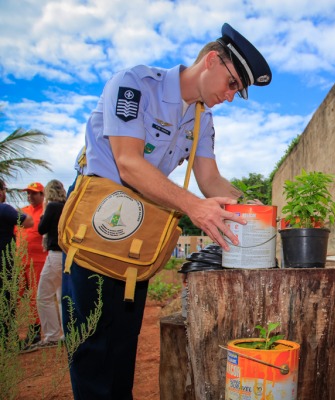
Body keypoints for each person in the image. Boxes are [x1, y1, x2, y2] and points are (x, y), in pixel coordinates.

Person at [62, 23, 272, 399]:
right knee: (91, 346)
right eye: (231, 83)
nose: (230, 94)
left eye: (237, 91)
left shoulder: (202, 121)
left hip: (140, 235)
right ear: (212, 60)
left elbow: (211, 181)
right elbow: (127, 162)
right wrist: (194, 208)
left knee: (124, 346)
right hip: (99, 225)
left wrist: (259, 208)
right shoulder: (135, 86)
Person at [32, 180, 67, 349]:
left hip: (54, 254)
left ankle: (52, 335)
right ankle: (67, 332)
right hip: (66, 255)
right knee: (62, 296)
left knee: (44, 296)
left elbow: (41, 229)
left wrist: (44, 212)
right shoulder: (66, 205)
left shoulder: (52, 207)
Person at [0, 179, 33, 346]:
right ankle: (9, 341)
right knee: (7, 300)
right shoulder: (4, 209)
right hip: (4, 262)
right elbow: (29, 222)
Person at [16, 181, 46, 343]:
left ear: (42, 195)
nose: (30, 196)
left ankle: (34, 332)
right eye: (28, 193)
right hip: (20, 261)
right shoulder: (22, 212)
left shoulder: (45, 211)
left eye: (34, 193)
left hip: (39, 261)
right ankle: (10, 332)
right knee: (15, 295)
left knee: (36, 297)